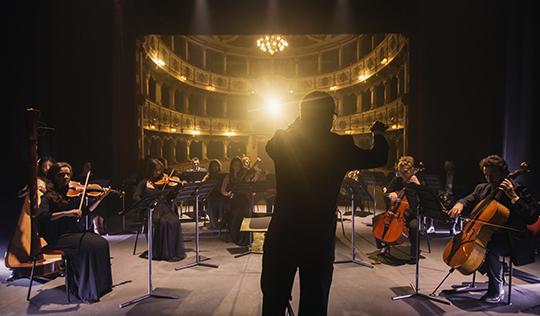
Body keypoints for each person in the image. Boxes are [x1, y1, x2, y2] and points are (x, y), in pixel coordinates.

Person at [260, 91, 389, 316]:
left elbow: (270, 146)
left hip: (283, 234)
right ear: (330, 116)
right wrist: (377, 132)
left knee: (273, 301)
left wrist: (298, 122)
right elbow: (378, 157)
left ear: (302, 115)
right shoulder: (339, 146)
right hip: (317, 237)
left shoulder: (283, 139)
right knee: (315, 302)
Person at [448, 155, 539, 303]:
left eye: (492, 175)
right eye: (486, 175)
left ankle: (496, 289)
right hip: (488, 234)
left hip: (511, 237)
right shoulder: (483, 188)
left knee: (488, 250)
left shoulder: (520, 190)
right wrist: (460, 204)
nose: (489, 179)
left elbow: (532, 217)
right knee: (472, 250)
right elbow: (468, 198)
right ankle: (497, 271)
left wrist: (514, 197)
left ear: (504, 173)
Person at [36, 162, 112, 303]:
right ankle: (86, 290)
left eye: (68, 174)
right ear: (53, 177)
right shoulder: (48, 196)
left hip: (73, 233)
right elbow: (42, 217)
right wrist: (66, 213)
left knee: (101, 243)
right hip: (57, 236)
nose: (65, 177)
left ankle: (100, 286)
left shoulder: (73, 193)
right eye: (61, 175)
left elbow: (85, 211)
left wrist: (101, 198)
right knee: (88, 247)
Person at [133, 158, 186, 261]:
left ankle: (171, 251)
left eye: (160, 170)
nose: (159, 173)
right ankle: (161, 251)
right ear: (150, 170)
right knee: (164, 222)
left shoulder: (165, 181)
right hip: (150, 209)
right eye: (156, 170)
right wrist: (145, 202)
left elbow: (171, 196)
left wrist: (179, 186)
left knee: (174, 221)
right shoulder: (144, 182)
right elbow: (136, 196)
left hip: (164, 207)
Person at [375, 156, 421, 263]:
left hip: (412, 214)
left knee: (414, 226)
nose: (402, 175)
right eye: (400, 172)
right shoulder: (397, 179)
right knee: (377, 220)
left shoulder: (417, 181)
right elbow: (386, 194)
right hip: (395, 212)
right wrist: (390, 194)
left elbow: (424, 198)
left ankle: (414, 255)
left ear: (411, 170)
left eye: (404, 172)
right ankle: (383, 246)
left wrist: (418, 185)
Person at [221, 156, 250, 246]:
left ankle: (245, 239)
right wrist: (228, 194)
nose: (237, 167)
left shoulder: (244, 176)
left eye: (239, 165)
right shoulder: (228, 176)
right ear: (232, 166)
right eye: (235, 165)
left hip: (244, 199)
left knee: (246, 216)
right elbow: (223, 190)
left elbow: (250, 185)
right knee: (237, 216)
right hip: (233, 200)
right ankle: (237, 238)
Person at [203, 159, 227, 230]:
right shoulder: (208, 176)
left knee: (221, 203)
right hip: (212, 196)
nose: (214, 167)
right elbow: (203, 184)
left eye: (216, 166)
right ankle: (214, 224)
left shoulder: (223, 175)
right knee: (210, 203)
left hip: (221, 196)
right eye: (213, 166)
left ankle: (221, 222)